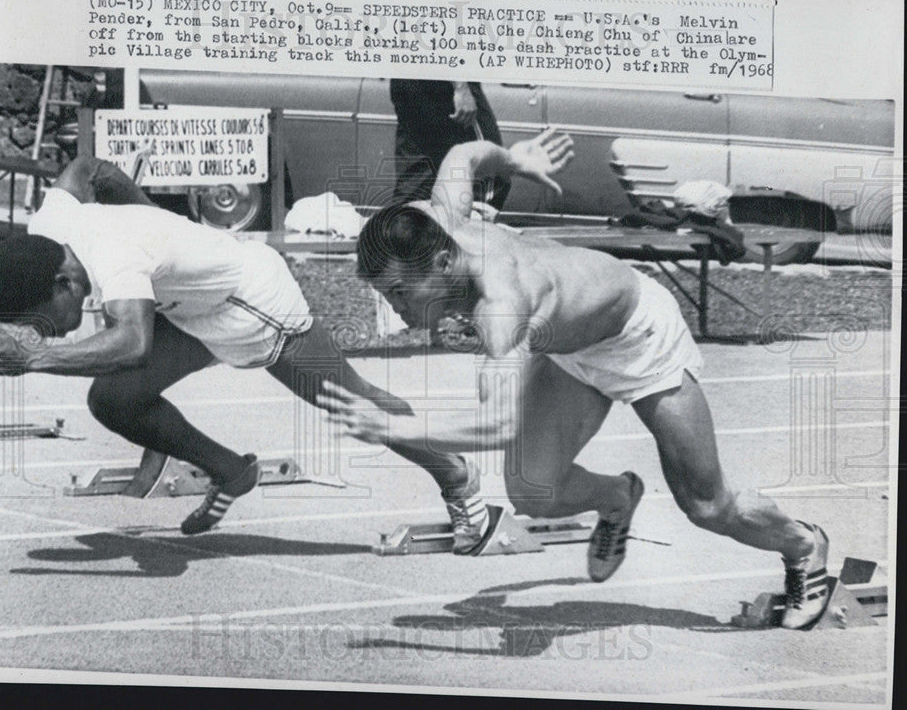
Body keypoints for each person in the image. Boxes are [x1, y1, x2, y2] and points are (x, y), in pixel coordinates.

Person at [320, 131, 831, 629]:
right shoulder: (442, 217)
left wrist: (392, 429)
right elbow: (463, 153)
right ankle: (617, 498)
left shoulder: (503, 301)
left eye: (400, 293)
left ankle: (803, 545)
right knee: (533, 492)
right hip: (570, 349)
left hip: (637, 337)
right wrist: (514, 159)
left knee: (708, 505)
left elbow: (497, 424)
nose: (400, 312)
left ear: (442, 261)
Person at [0, 156, 487, 551]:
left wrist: (33, 360)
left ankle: (458, 478)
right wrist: (153, 216)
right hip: (189, 312)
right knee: (114, 400)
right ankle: (230, 470)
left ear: (64, 283)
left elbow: (132, 343)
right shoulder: (49, 229)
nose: (46, 336)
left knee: (352, 404)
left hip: (251, 305)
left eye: (42, 324)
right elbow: (88, 169)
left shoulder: (113, 257)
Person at [390, 79, 510, 211]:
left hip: (409, 80)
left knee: (418, 176)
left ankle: (404, 226)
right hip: (445, 84)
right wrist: (461, 87)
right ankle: (472, 227)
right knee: (489, 166)